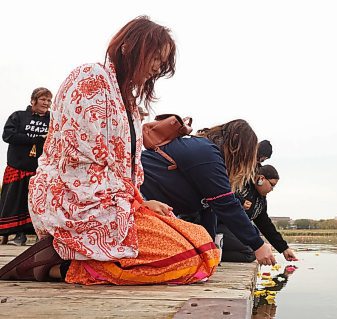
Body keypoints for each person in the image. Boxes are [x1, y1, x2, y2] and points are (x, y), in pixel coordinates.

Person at [0, 16, 219, 285]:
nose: (157, 67)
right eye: (155, 58)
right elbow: (85, 161)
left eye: (162, 63)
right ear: (130, 47)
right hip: (78, 202)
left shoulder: (126, 98)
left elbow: (123, 169)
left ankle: (76, 261)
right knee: (187, 259)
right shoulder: (90, 77)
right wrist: (132, 203)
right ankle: (62, 268)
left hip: (115, 202)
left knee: (202, 244)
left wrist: (139, 201)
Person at [140, 119, 277, 266]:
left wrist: (209, 250)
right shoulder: (206, 153)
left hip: (157, 214)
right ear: (237, 146)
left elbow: (209, 208)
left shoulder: (210, 156)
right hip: (140, 199)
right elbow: (226, 203)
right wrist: (258, 244)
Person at [0, 87, 51, 246]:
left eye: (49, 100)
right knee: (15, 201)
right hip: (18, 166)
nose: (46, 103)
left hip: (42, 169)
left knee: (40, 203)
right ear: (33, 100)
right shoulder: (18, 116)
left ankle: (38, 234)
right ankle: (16, 235)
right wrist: (35, 139)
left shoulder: (53, 120)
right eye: (43, 99)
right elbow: (8, 135)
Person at [219, 165, 297, 262]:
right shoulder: (241, 186)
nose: (272, 189)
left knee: (256, 244)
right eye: (272, 185)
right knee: (251, 252)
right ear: (261, 179)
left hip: (234, 230)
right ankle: (213, 254)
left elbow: (265, 225)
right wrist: (239, 201)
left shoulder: (260, 201)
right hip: (220, 226)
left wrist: (284, 248)